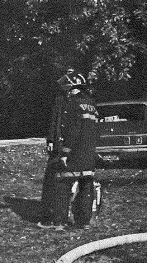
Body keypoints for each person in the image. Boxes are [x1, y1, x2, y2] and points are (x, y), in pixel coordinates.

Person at [38, 70, 99, 230]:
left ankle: (59, 221)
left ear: (71, 85)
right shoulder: (90, 103)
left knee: (61, 184)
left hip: (74, 153)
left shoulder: (72, 103)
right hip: (88, 153)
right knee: (86, 185)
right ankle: (83, 221)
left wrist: (65, 152)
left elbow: (73, 130)